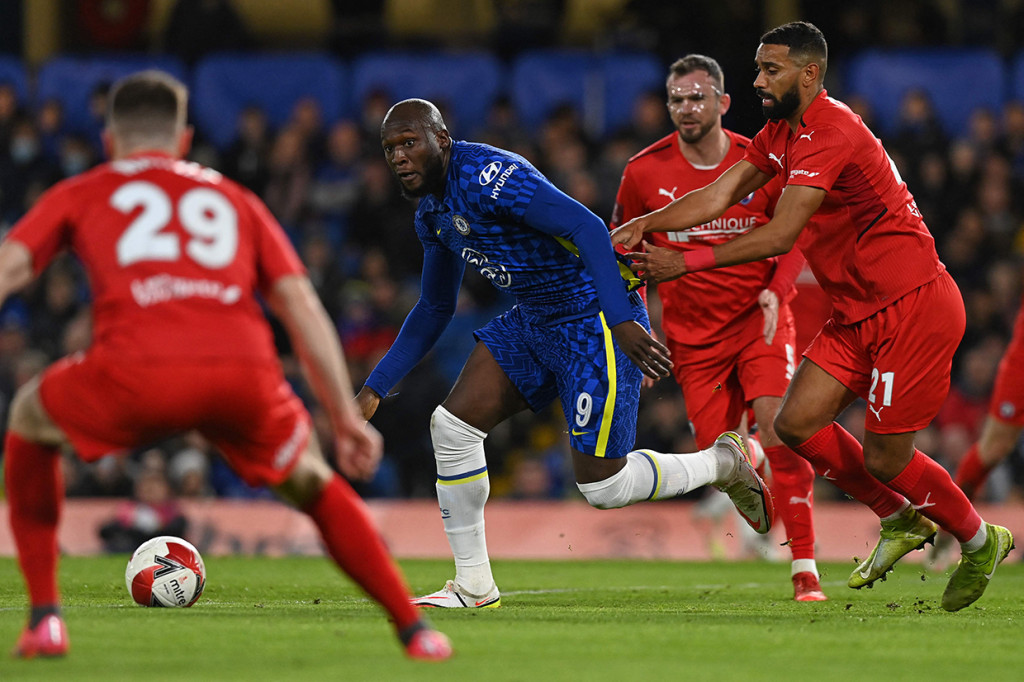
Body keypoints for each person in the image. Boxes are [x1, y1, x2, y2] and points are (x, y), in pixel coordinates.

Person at [0, 71, 451, 661]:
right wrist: (342, 416)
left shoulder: (83, 189)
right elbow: (302, 306)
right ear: (184, 140)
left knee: (30, 417)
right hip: (241, 373)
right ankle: (415, 632)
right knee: (314, 483)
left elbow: (10, 267)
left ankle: (44, 620)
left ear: (110, 141)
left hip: (136, 370)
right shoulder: (235, 198)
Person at [611, 21, 1013, 612]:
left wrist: (684, 262)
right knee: (795, 426)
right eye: (756, 69)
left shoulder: (831, 131)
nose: (758, 81)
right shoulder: (780, 131)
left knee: (886, 457)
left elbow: (780, 233)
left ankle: (980, 539)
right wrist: (648, 222)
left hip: (913, 306)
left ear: (810, 72)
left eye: (770, 70)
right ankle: (897, 516)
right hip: (856, 311)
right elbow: (722, 194)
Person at [356, 98, 775, 608]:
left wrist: (621, 321)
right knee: (452, 427)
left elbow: (589, 228)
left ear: (442, 140)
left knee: (603, 489)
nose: (398, 156)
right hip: (535, 318)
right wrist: (375, 387)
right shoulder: (433, 213)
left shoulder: (489, 177)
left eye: (409, 142)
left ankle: (723, 463)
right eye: (390, 148)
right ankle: (473, 585)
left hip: (592, 316)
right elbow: (434, 307)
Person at [611, 54, 824, 601]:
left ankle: (805, 569)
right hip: (691, 339)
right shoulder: (642, 173)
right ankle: (750, 471)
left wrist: (778, 291)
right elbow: (622, 255)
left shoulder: (761, 161)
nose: (687, 108)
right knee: (723, 458)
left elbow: (794, 233)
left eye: (698, 97)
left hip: (759, 321)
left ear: (723, 103)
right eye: (677, 99)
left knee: (778, 426)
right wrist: (634, 331)